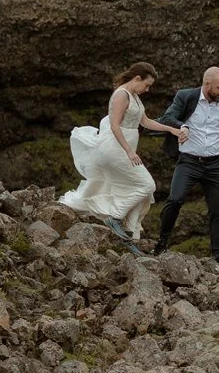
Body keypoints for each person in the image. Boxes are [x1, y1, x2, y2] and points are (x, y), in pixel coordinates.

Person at [60, 62, 170, 250]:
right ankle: (115, 217)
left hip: (124, 148)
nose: (148, 89)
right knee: (147, 185)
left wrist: (171, 129)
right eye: (147, 84)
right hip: (115, 149)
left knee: (141, 191)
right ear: (137, 78)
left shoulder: (134, 96)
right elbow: (114, 125)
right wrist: (129, 150)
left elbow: (145, 121)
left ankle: (129, 237)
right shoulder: (121, 94)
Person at [150, 66, 219, 268]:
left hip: (215, 164)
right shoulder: (186, 97)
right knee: (175, 199)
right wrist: (182, 126)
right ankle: (162, 243)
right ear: (207, 85)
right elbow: (167, 117)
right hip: (189, 160)